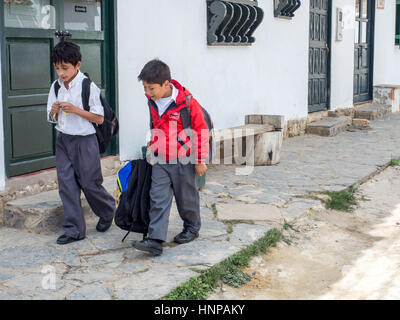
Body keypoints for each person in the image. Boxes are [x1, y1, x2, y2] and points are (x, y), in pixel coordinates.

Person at [132, 59, 210, 255]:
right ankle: (155, 240)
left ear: (166, 84)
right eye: (144, 88)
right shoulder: (152, 100)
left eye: (151, 88)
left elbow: (201, 131)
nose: (147, 93)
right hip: (161, 158)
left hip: (184, 159)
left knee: (186, 197)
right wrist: (153, 141)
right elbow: (156, 123)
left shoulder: (187, 103)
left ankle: (192, 227)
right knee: (157, 198)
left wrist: (200, 160)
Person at [47, 41, 115, 245]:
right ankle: (74, 230)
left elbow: (100, 118)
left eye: (65, 68)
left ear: (77, 65)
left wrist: (74, 109)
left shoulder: (88, 86)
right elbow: (50, 116)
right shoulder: (56, 86)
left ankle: (107, 210)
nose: (61, 72)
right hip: (64, 141)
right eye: (57, 68)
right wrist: (54, 112)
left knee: (89, 183)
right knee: (66, 184)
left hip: (85, 141)